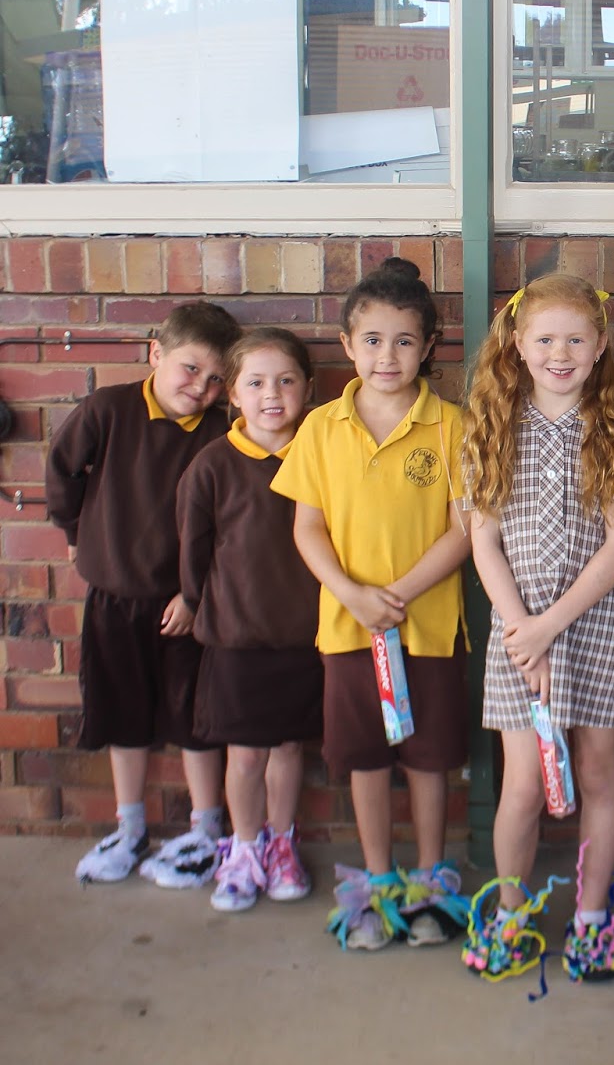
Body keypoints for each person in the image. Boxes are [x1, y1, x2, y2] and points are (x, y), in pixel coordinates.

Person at [271, 257, 473, 951]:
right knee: (366, 758)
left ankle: (429, 881)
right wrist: (354, 594)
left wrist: (403, 594)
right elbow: (307, 527)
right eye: (374, 340)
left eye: (405, 341)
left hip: (428, 628)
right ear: (348, 344)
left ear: (429, 345)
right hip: (351, 628)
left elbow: (465, 530)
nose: (388, 356)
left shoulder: (452, 426)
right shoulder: (321, 428)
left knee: (428, 759)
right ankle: (378, 883)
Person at [459, 274, 614, 982]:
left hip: (594, 625)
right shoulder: (487, 428)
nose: (559, 354)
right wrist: (522, 631)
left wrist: (551, 627)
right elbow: (483, 543)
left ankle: (592, 919)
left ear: (599, 347)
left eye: (575, 340)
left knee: (599, 774)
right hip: (517, 635)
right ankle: (512, 914)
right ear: (517, 343)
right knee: (523, 786)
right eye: (544, 339)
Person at [49, 301, 242, 888]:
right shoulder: (107, 411)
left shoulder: (220, 432)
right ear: (156, 353)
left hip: (187, 606)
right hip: (114, 599)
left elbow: (228, 525)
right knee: (122, 713)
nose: (201, 388)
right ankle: (129, 826)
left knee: (194, 718)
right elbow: (62, 471)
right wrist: (76, 533)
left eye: (216, 379)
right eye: (191, 369)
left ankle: (207, 829)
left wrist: (194, 595)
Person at [176, 328, 322, 912]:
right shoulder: (213, 465)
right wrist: (194, 602)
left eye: (286, 381)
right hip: (236, 637)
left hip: (302, 635)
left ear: (308, 389)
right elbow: (193, 548)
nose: (272, 394)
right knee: (245, 754)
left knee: (287, 748)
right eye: (256, 382)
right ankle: (242, 848)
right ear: (233, 394)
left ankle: (281, 844)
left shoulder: (321, 456)